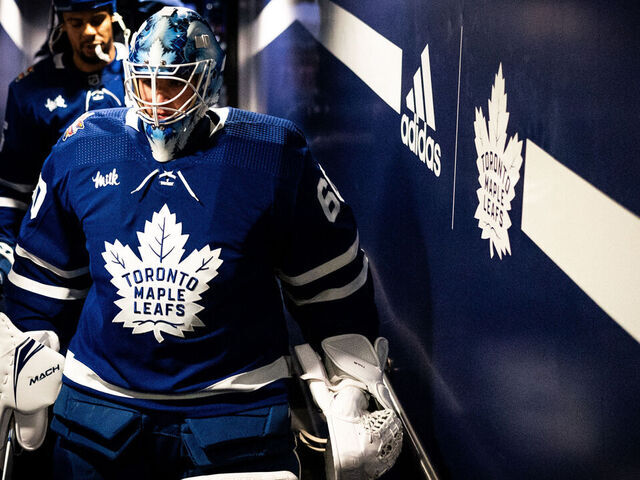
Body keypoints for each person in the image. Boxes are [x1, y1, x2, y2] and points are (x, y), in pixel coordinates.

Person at [1, 7, 382, 479]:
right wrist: (21, 356)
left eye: (174, 82)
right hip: (101, 407)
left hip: (234, 411)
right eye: (146, 83)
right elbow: (41, 282)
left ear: (206, 81)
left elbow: (333, 285)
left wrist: (352, 384)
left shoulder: (273, 152)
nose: (158, 101)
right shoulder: (84, 145)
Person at [0, 0, 127, 289]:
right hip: (61, 245)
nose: (89, 32)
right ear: (62, 25)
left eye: (97, 20)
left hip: (132, 233)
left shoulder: (144, 75)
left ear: (114, 18)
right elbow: (12, 184)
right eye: (76, 23)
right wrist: (4, 243)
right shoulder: (30, 90)